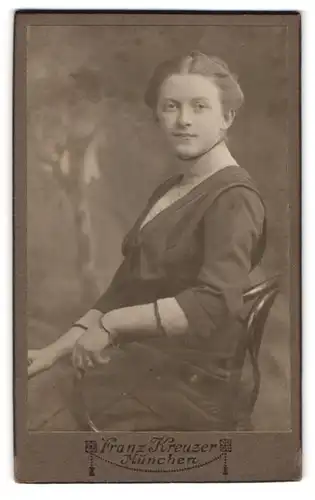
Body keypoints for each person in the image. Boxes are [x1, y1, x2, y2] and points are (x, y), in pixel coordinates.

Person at [28, 51, 266, 431]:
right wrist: (57, 349)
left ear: (227, 117)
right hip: (146, 361)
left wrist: (111, 327)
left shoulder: (233, 197)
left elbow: (213, 303)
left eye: (200, 107)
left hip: (190, 385)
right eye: (171, 106)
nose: (183, 120)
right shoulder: (170, 190)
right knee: (29, 389)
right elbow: (127, 285)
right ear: (157, 116)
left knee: (33, 417)